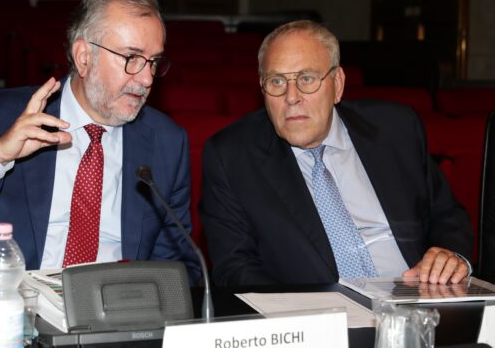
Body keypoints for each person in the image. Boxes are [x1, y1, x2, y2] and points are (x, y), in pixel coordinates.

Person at [0, 0, 200, 292]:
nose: (146, 78)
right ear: (84, 57)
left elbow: (178, 267)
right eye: (131, 58)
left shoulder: (166, 142)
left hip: (107, 311)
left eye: (153, 62)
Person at [199, 20, 473, 287]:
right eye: (277, 81)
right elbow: (234, 267)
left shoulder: (396, 129)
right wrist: (305, 311)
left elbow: (447, 216)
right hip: (311, 311)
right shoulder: (231, 156)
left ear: (338, 84)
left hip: (418, 299)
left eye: (307, 79)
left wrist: (450, 256)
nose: (291, 97)